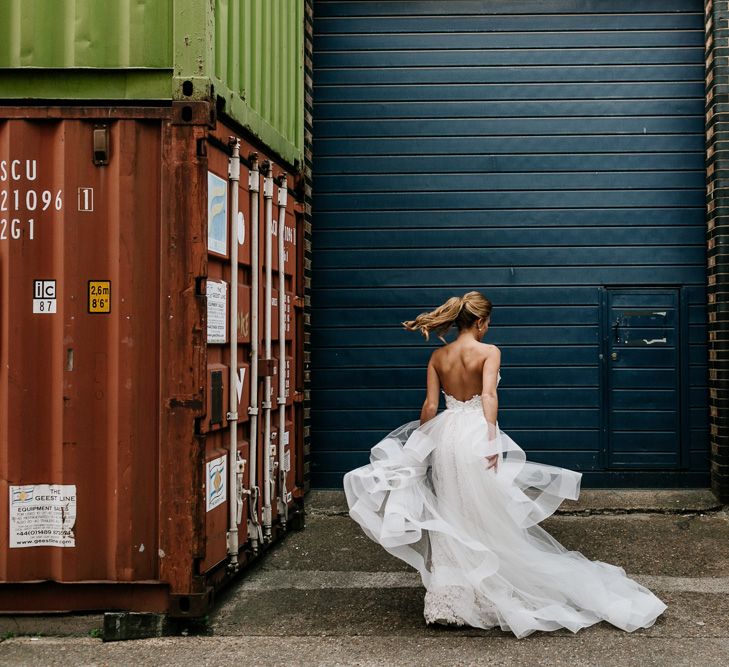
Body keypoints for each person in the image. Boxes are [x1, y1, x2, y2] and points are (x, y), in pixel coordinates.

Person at [342, 291, 668, 639]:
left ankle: (450, 599)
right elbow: (488, 395)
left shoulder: (438, 356)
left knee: (451, 509)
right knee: (481, 512)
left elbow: (429, 405)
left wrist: (419, 445)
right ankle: (486, 589)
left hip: (446, 438)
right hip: (474, 436)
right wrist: (490, 438)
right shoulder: (489, 352)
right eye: (488, 323)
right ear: (481, 322)